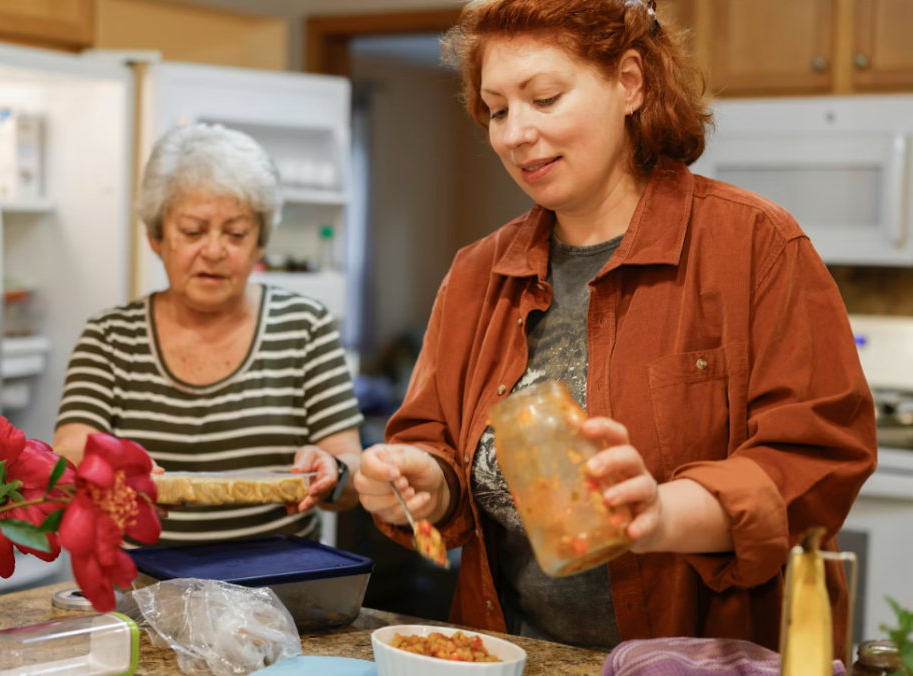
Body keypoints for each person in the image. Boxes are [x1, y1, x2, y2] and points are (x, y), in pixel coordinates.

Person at [354, 0, 876, 655]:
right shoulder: (476, 275)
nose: (516, 133)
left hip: (699, 663)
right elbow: (435, 445)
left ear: (629, 83)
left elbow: (817, 458)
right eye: (498, 109)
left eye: (545, 98)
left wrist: (664, 513)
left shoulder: (755, 245)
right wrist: (426, 482)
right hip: (514, 656)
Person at [55, 123, 363, 545]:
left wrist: (334, 470)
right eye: (193, 231)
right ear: (156, 238)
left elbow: (351, 471)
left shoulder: (305, 327)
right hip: (143, 577)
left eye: (236, 234)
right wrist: (111, 471)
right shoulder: (110, 337)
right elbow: (69, 453)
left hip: (277, 577)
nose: (215, 251)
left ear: (259, 245)